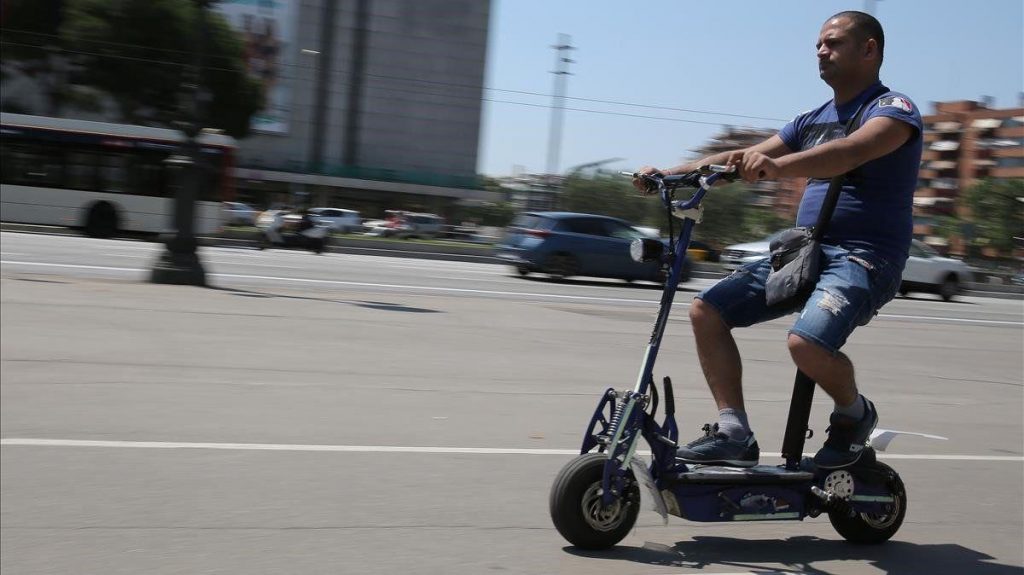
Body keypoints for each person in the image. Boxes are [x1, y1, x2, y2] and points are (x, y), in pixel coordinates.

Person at [633, 11, 923, 470]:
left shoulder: (892, 110)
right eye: (818, 45)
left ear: (869, 50)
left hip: (864, 258)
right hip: (805, 251)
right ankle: (733, 431)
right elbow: (736, 159)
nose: (821, 51)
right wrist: (668, 174)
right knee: (706, 310)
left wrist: (778, 167)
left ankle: (855, 414)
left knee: (805, 344)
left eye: (833, 42)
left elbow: (851, 152)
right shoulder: (812, 118)